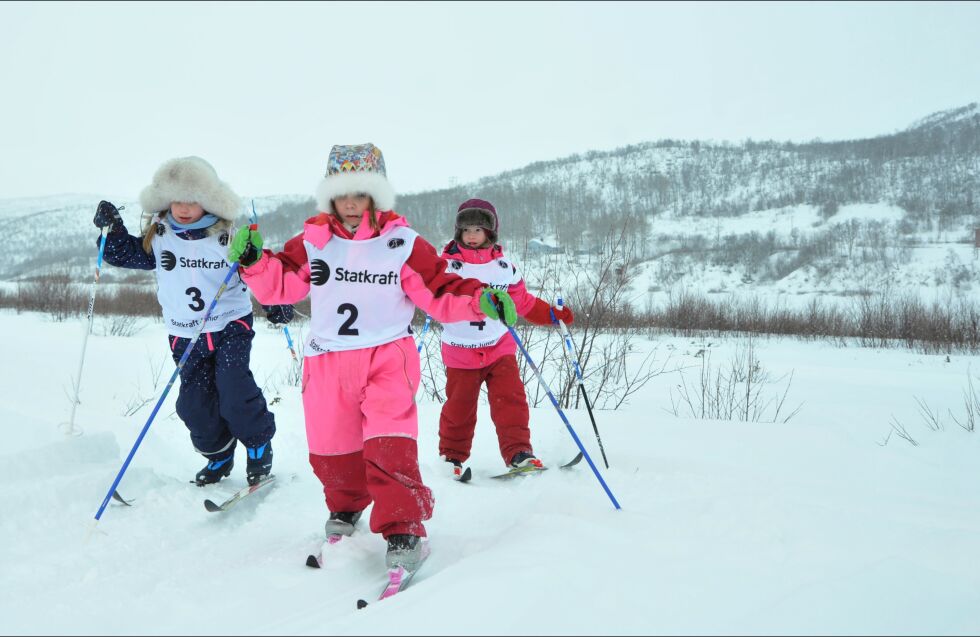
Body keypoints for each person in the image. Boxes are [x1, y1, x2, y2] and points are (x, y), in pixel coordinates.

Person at [227, 143, 516, 573]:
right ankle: (346, 505)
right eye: (341, 192)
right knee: (333, 450)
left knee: (389, 444)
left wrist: (481, 299)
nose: (349, 202)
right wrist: (253, 261)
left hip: (386, 357)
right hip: (327, 361)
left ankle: (404, 526)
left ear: (375, 195)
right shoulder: (312, 240)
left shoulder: (401, 242)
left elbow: (438, 288)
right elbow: (280, 285)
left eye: (359, 192)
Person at [92, 156, 288, 486]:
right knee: (193, 405)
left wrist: (274, 301)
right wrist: (111, 231)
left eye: (193, 200)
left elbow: (257, 270)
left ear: (209, 200)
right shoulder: (161, 234)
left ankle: (258, 446)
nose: (183, 208)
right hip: (185, 333)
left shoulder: (228, 235)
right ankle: (220, 454)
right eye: (177, 200)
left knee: (234, 389)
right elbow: (125, 254)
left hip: (229, 326)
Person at [437, 199, 574, 477]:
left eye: (478, 229)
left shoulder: (504, 269)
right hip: (460, 350)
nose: (472, 235)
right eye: (466, 230)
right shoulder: (448, 267)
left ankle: (519, 453)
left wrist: (551, 314)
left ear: (491, 232)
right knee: (459, 407)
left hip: (499, 348)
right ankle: (451, 458)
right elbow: (433, 297)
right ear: (458, 233)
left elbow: (522, 303)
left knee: (511, 401)